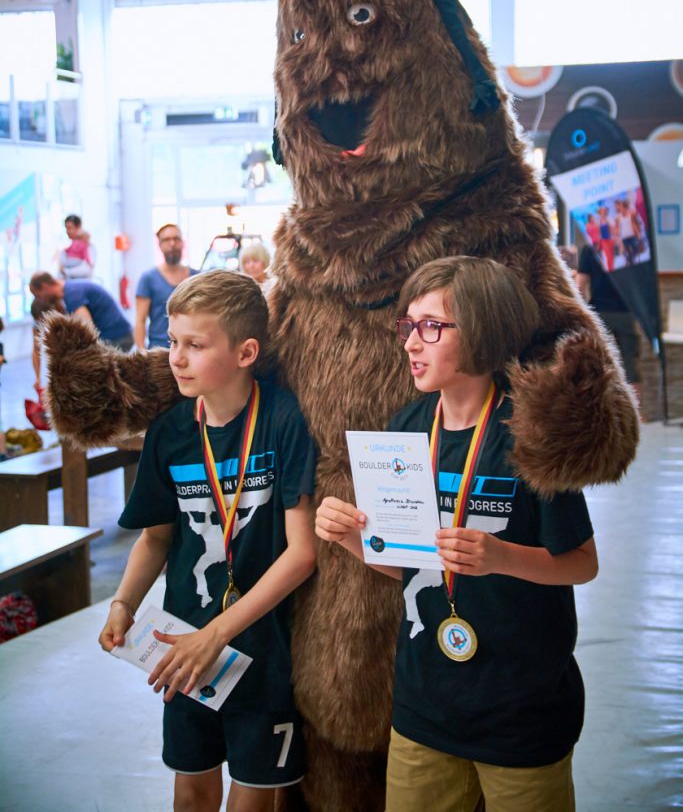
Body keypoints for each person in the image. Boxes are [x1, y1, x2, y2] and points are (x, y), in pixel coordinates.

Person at [316, 256, 598, 812]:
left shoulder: (532, 431)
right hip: (425, 705)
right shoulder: (406, 427)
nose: (411, 343)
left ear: (485, 330)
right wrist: (351, 537)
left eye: (432, 327)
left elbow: (581, 562)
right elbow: (405, 561)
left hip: (521, 708)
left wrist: (501, 556)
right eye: (409, 326)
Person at [98, 269, 317, 812]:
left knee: (255, 801)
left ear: (245, 352)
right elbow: (155, 538)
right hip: (182, 648)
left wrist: (217, 634)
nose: (176, 357)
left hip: (263, 652)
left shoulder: (283, 418)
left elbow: (302, 553)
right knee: (191, 791)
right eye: (172, 341)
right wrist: (124, 602)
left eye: (195, 345)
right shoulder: (170, 431)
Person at [29, 273, 133, 390]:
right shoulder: (69, 291)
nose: (38, 299)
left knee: (96, 379)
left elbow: (87, 331)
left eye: (37, 295)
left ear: (44, 286)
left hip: (117, 336)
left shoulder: (72, 294)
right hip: (117, 334)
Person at [577, 243, 642, 409]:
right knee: (629, 364)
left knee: (598, 364)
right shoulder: (626, 245)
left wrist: (583, 311)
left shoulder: (590, 247)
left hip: (600, 314)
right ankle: (636, 415)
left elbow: (580, 286)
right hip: (625, 313)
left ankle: (603, 412)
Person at [135, 224, 197, 349]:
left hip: (191, 349)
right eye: (167, 240)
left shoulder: (196, 278)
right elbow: (140, 320)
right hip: (159, 351)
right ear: (160, 245)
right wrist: (141, 354)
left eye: (176, 239)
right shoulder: (148, 279)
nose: (172, 243)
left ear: (182, 243)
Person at [59, 214, 96, 279]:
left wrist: (66, 271)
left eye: (70, 228)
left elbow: (87, 269)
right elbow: (61, 270)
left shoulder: (88, 247)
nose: (67, 232)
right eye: (66, 228)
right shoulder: (66, 250)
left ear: (79, 226)